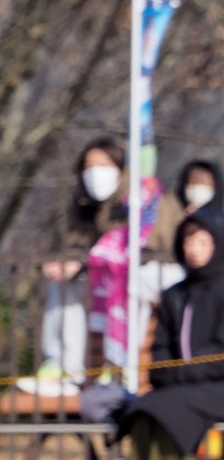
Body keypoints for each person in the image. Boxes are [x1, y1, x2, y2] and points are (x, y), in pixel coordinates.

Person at [115, 209, 224, 460]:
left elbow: (219, 349)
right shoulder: (174, 294)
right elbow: (161, 346)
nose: (195, 249)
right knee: (147, 405)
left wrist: (185, 372)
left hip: (215, 384)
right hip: (182, 384)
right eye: (189, 242)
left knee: (171, 405)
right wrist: (169, 372)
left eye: (203, 242)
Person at [78, 138, 183, 376]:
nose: (95, 172)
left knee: (133, 286)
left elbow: (164, 240)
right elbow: (80, 242)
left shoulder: (152, 199)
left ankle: (126, 364)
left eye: (104, 164)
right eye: (89, 165)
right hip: (109, 274)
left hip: (152, 269)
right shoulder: (87, 203)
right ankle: (103, 365)